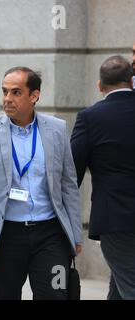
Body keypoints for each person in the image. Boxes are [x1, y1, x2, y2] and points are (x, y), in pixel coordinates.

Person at [0, 66, 82, 300]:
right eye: (5, 92)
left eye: (16, 92)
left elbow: (68, 185)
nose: (8, 99)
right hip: (4, 235)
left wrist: (75, 235)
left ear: (34, 96)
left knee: (55, 296)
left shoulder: (57, 129)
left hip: (51, 234)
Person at [71, 55, 135, 300]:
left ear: (100, 85)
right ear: (131, 81)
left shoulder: (90, 118)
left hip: (115, 219)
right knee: (121, 285)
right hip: (118, 222)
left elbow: (72, 172)